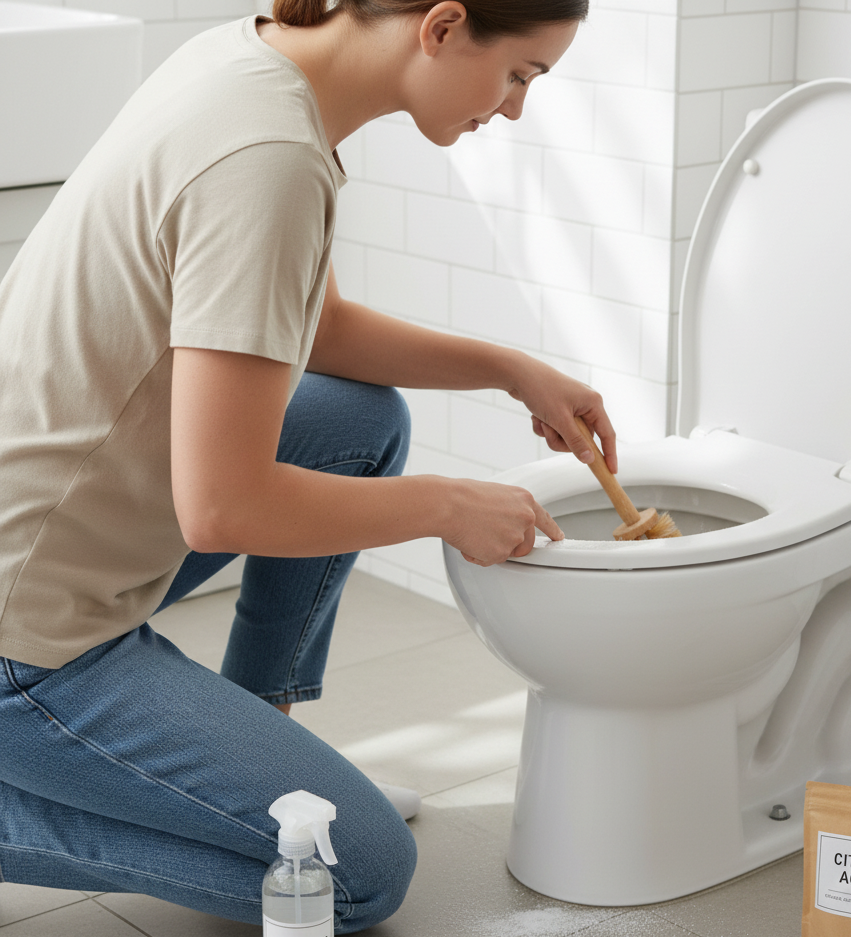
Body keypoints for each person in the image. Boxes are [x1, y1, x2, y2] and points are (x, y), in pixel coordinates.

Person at [0, 0, 619, 931]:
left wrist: (510, 369)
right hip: (28, 634)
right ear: (442, 27)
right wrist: (446, 504)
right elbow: (223, 507)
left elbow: (313, 327)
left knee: (352, 421)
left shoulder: (256, 68)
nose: (515, 106)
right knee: (359, 871)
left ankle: (269, 751)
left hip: (51, 535)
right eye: (520, 74)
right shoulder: (270, 157)